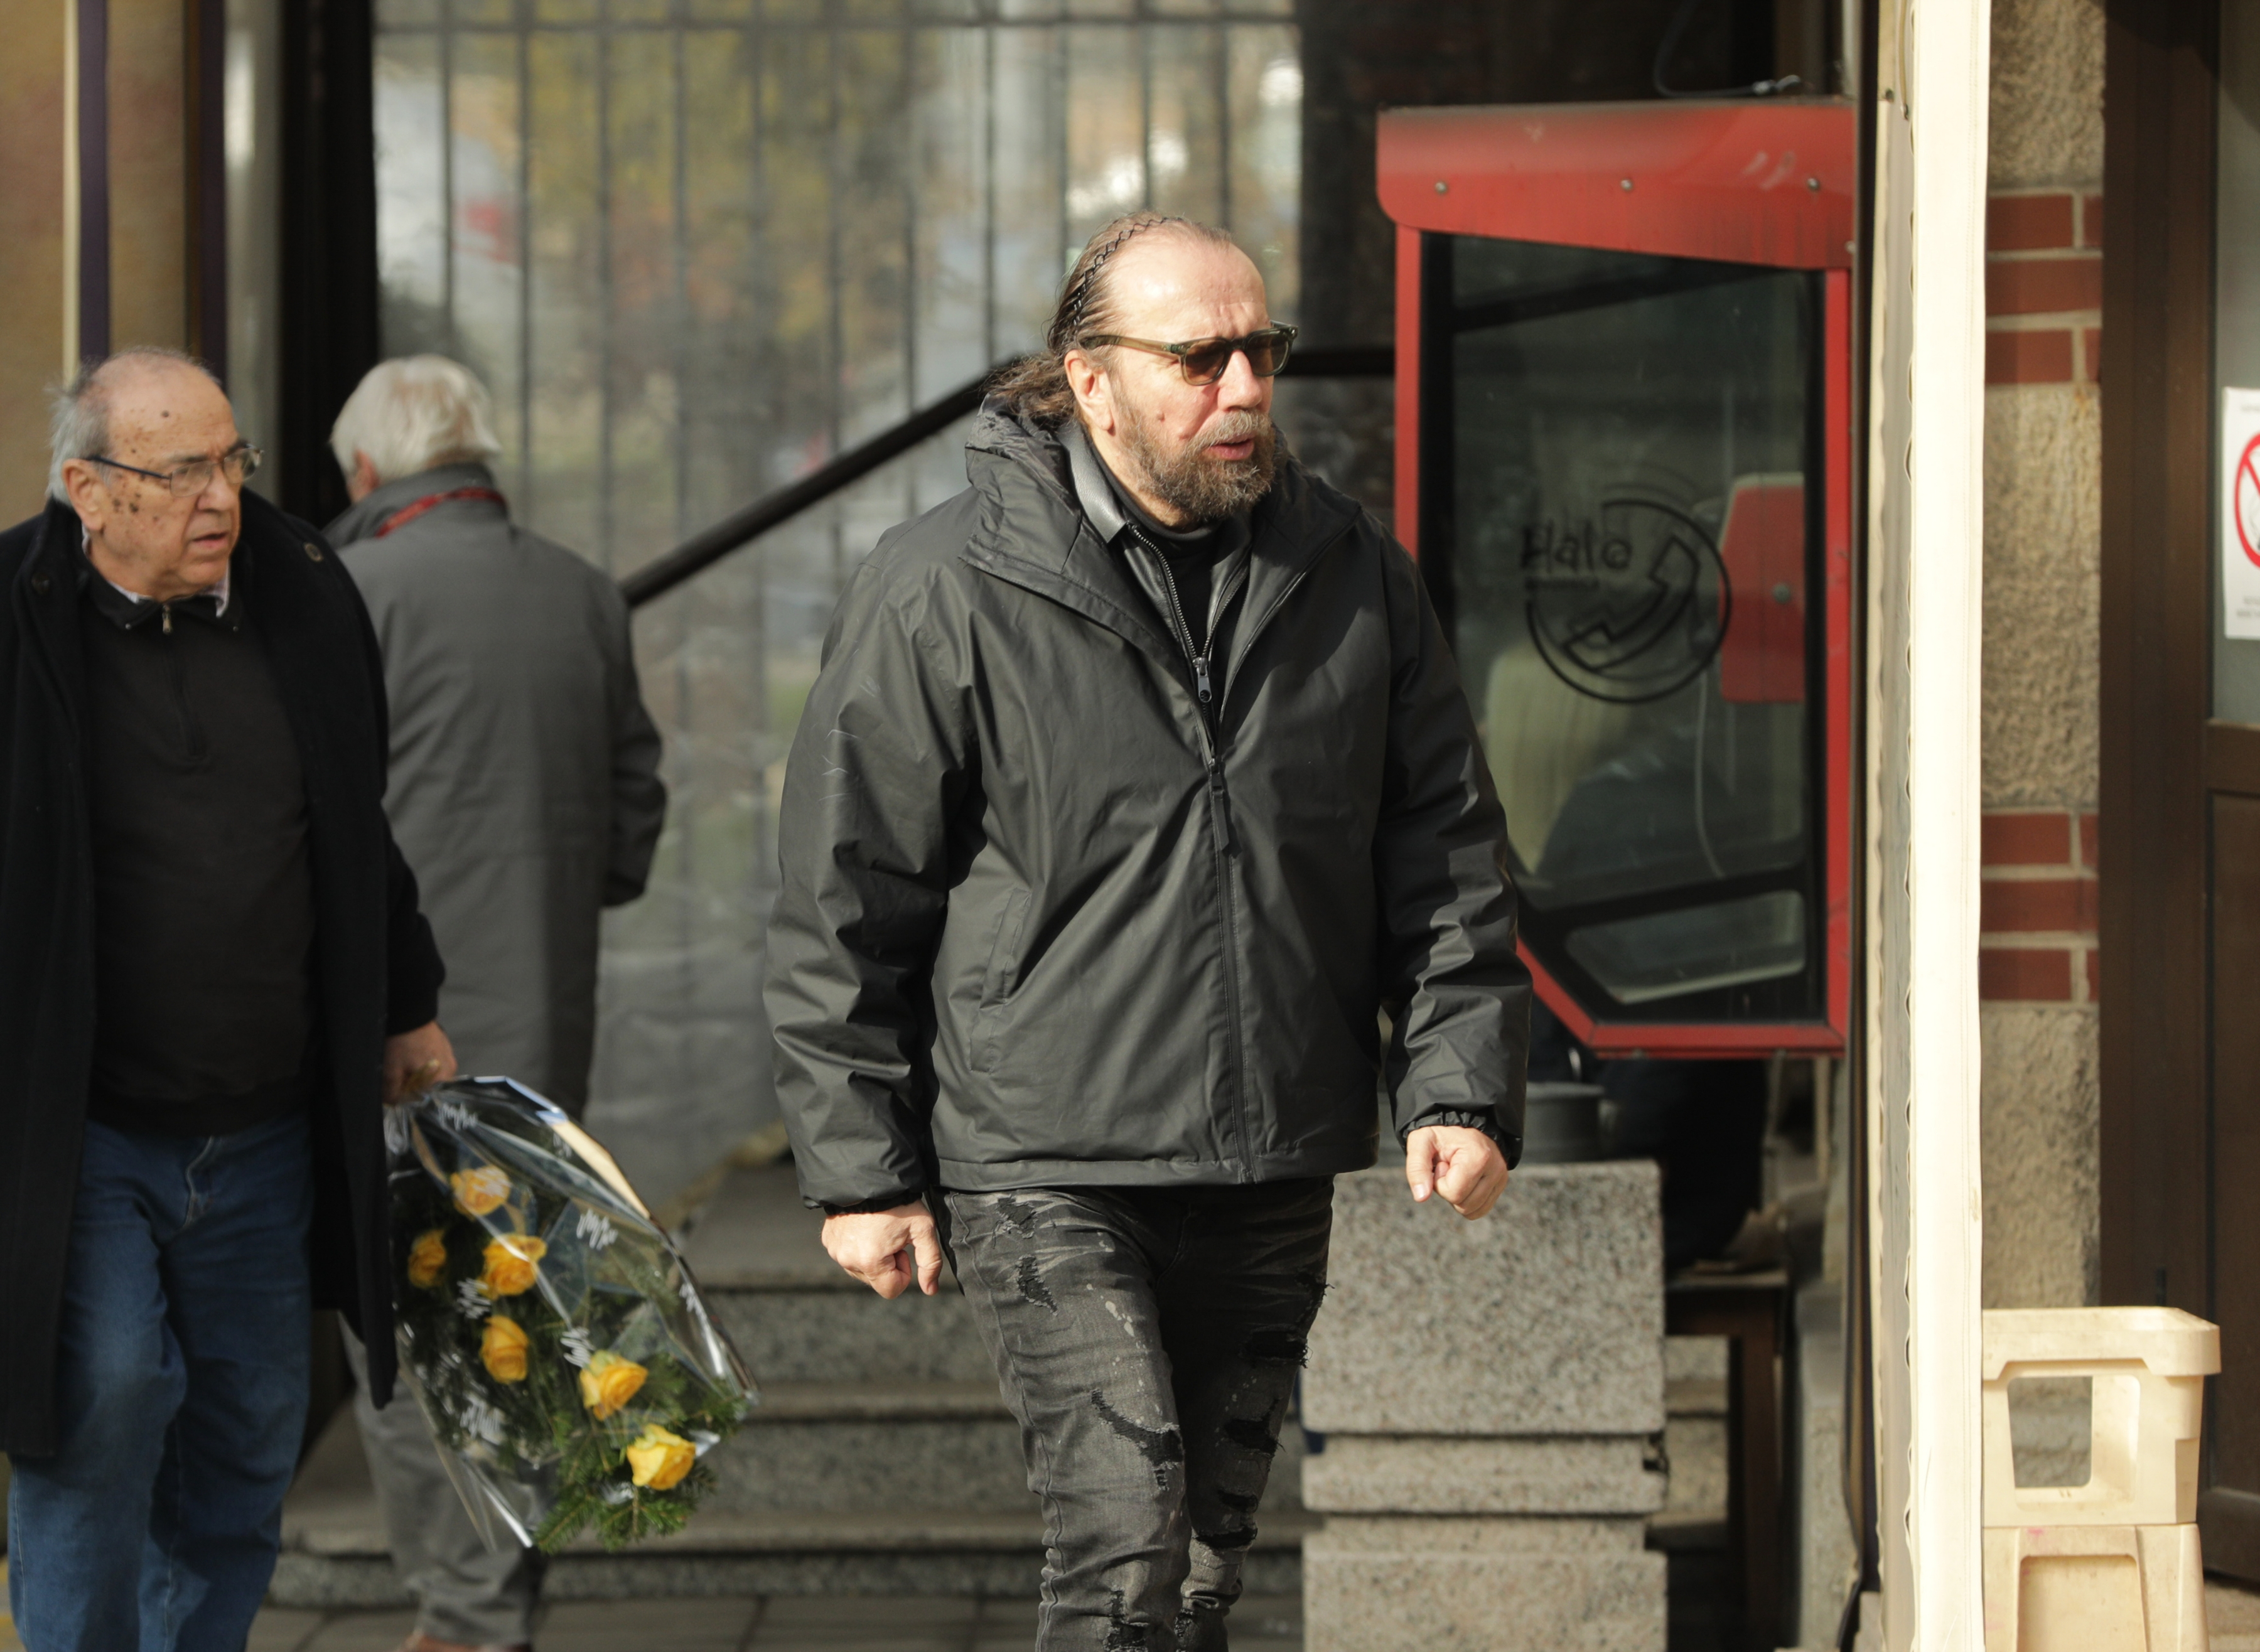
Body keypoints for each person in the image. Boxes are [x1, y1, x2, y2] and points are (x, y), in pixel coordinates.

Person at [766, 214, 1530, 1652]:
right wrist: (859, 1166)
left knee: (1194, 1573)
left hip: (1269, 1145)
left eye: (1263, 350)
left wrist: (1459, 1076)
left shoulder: (1352, 571)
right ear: (1089, 381)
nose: (1244, 387)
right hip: (1043, 1157)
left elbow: (1444, 842)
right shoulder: (943, 587)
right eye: (1199, 356)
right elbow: (843, 888)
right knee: (1121, 1549)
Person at [0, 346, 456, 1651]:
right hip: (87, 1127)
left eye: (233, 458)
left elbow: (358, 829)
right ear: (88, 488)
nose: (223, 496)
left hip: (264, 1128)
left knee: (250, 1434)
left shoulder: (306, 591)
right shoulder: (9, 614)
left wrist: (407, 1003)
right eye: (183, 468)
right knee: (103, 1398)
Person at [323, 355, 667, 1652]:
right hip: (541, 1034)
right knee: (506, 1312)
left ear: (366, 472)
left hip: (393, 1040)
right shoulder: (579, 591)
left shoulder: (349, 595)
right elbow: (634, 817)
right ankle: (492, 1606)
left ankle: (469, 1619)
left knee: (408, 1336)